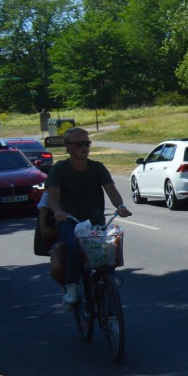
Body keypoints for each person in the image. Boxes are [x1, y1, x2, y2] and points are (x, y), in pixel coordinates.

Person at [46, 128, 131, 308]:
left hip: (94, 221)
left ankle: (108, 275)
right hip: (70, 221)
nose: (84, 148)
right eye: (79, 144)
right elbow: (52, 198)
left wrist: (120, 206)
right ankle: (71, 287)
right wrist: (58, 212)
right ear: (68, 147)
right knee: (76, 246)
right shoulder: (59, 169)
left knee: (110, 244)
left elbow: (112, 191)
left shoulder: (97, 167)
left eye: (87, 143)